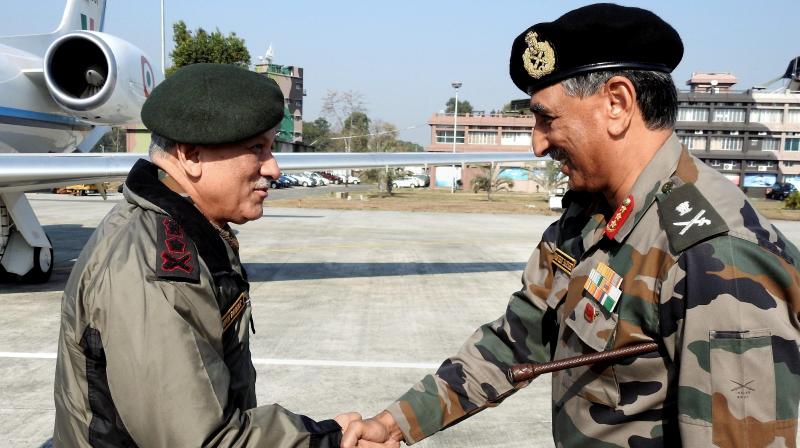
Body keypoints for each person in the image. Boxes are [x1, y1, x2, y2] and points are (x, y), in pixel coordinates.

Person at [342, 4, 800, 447]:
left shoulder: (717, 254)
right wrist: (395, 424)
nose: (537, 144)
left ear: (617, 103)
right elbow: (515, 342)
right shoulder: (588, 216)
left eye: (546, 118)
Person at [53, 63, 359, 446]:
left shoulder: (185, 233)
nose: (274, 168)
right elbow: (202, 439)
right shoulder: (154, 267)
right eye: (256, 149)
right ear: (192, 156)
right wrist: (326, 439)